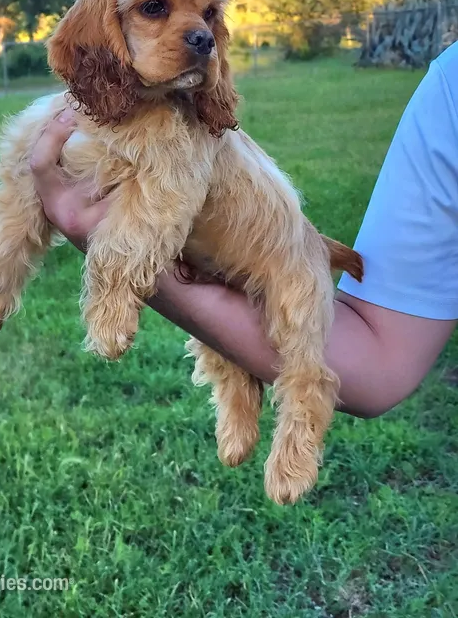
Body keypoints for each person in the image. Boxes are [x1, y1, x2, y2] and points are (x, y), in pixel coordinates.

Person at [29, 42, 458, 421]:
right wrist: (117, 246)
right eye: (156, 8)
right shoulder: (449, 90)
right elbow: (381, 360)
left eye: (209, 18)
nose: (198, 34)